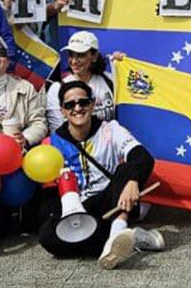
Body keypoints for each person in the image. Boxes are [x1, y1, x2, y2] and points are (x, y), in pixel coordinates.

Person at [26, 81, 162, 268]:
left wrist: (133, 181)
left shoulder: (111, 129)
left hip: (112, 201)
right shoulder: (51, 143)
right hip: (78, 208)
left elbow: (143, 157)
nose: (77, 108)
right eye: (70, 105)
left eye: (83, 102)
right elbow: (49, 193)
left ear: (92, 104)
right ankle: (132, 238)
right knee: (48, 237)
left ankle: (117, 231)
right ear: (62, 111)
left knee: (125, 169)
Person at [44, 31, 114, 128]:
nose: (74, 61)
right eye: (71, 55)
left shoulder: (111, 80)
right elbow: (57, 129)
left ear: (94, 56)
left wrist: (122, 65)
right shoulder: (57, 89)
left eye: (80, 55)